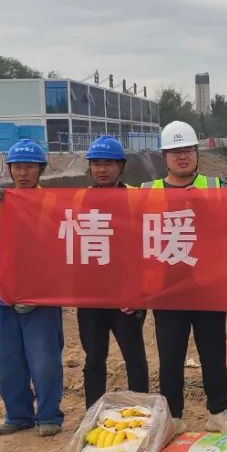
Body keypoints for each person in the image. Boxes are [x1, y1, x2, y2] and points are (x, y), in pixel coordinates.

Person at [141, 121, 227, 434]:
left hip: (208, 285)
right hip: (167, 287)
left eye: (187, 150)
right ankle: (173, 415)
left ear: (197, 153)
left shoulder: (216, 186)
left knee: (213, 352)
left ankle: (218, 411)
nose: (182, 156)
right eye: (175, 151)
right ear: (164, 156)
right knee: (170, 355)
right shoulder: (146, 191)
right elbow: (130, 235)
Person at [0, 139, 64, 436]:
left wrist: (42, 290)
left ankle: (48, 416)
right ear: (10, 169)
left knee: (45, 359)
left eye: (29, 167)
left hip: (41, 296)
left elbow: (62, 250)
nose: (23, 173)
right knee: (7, 360)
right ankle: (18, 415)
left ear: (40, 170)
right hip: (3, 294)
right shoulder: (0, 203)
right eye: (17, 167)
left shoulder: (52, 203)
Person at [78, 136, 149, 407]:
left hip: (126, 297)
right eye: (96, 163)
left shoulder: (137, 198)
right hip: (91, 296)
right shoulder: (79, 199)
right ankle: (92, 411)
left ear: (121, 166)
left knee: (134, 357)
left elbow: (146, 245)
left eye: (108, 163)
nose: (102, 169)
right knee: (94, 358)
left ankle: (140, 411)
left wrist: (138, 291)